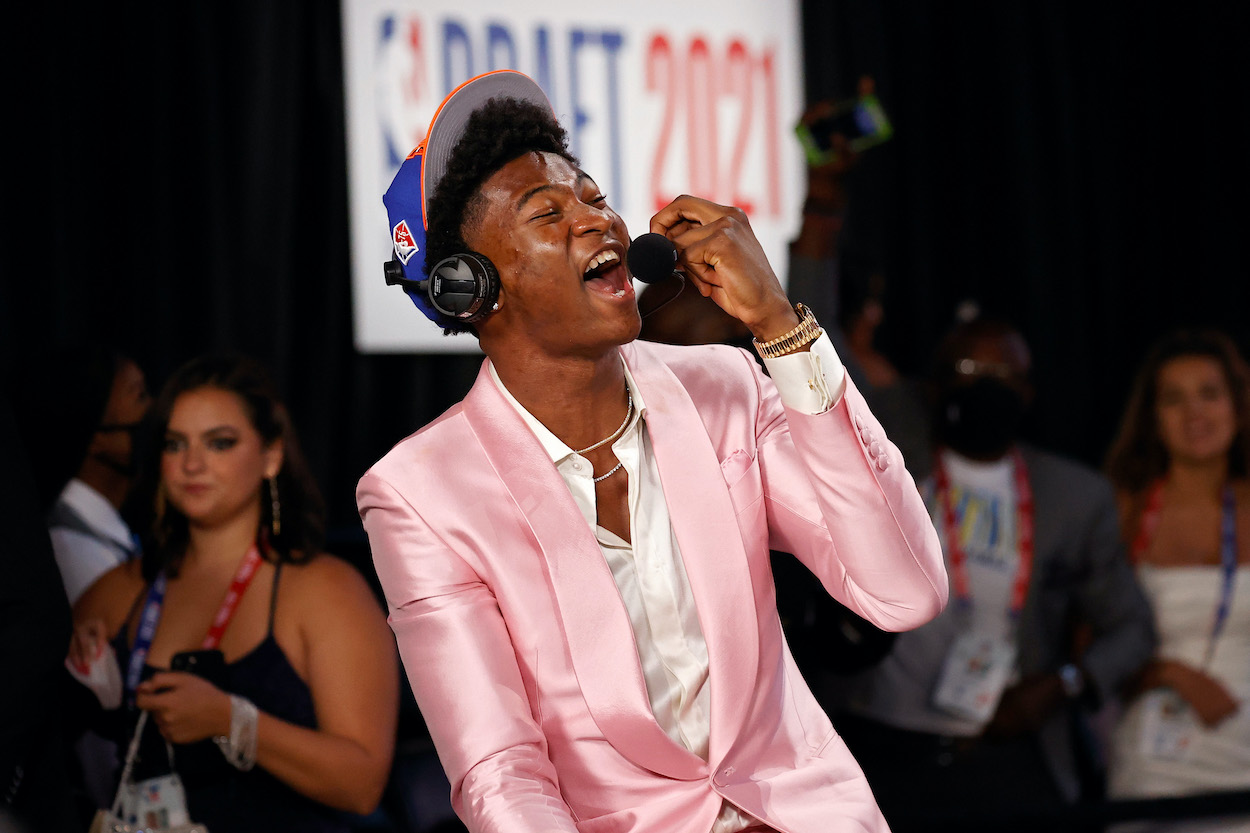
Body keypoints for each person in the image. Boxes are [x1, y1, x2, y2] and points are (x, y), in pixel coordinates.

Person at [358, 69, 946, 833]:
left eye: (595, 197)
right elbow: (501, 775)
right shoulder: (419, 494)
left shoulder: (729, 384)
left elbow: (905, 590)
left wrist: (779, 328)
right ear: (471, 287)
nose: (598, 223)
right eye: (548, 212)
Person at [828, 314, 1156, 831]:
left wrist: (1065, 683)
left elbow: (1132, 628)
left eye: (1004, 373)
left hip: (1004, 751)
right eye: (968, 367)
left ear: (1027, 392)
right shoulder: (886, 465)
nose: (986, 383)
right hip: (877, 746)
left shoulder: (1073, 497)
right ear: (933, 386)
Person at [70, 354, 398, 832]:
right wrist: (80, 680)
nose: (193, 464)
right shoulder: (120, 590)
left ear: (271, 456)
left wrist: (232, 720)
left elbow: (362, 784)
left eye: (219, 443)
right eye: (175, 443)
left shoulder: (326, 591)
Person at [1103, 329, 1250, 831]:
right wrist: (1170, 674)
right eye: (1174, 399)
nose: (1195, 415)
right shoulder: (1123, 509)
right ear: (1153, 416)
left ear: (1237, 403)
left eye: (1210, 394)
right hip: (1153, 763)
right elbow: (1086, 649)